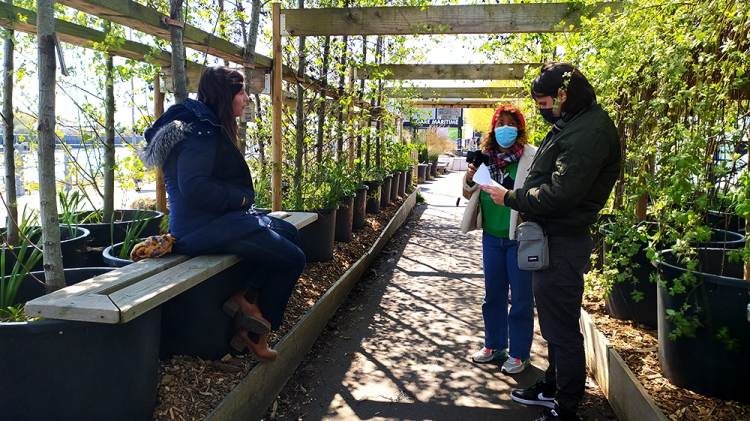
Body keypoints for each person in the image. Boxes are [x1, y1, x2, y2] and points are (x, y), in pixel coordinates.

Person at [479, 62, 621, 421]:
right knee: (556, 326)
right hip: (553, 240)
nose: (542, 110)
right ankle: (554, 386)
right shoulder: (576, 124)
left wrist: (512, 197)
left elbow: (561, 194)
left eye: (544, 103)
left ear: (564, 95)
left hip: (562, 242)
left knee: (562, 331)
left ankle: (566, 408)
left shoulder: (588, 131)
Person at [140, 66, 306, 363]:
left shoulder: (203, 123)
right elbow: (194, 187)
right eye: (241, 92)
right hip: (200, 229)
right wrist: (239, 198)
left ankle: (249, 298)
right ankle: (255, 332)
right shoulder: (201, 132)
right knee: (293, 259)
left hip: (214, 223)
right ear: (225, 95)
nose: (245, 99)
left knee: (289, 232)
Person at [461, 104, 536, 374]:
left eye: (511, 122)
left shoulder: (532, 157)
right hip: (491, 236)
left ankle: (519, 353)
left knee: (521, 298)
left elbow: (537, 194)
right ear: (493, 129)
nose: (506, 128)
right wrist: (469, 178)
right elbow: (469, 192)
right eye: (500, 123)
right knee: (493, 295)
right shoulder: (486, 158)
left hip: (519, 238)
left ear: (519, 127)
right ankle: (494, 345)